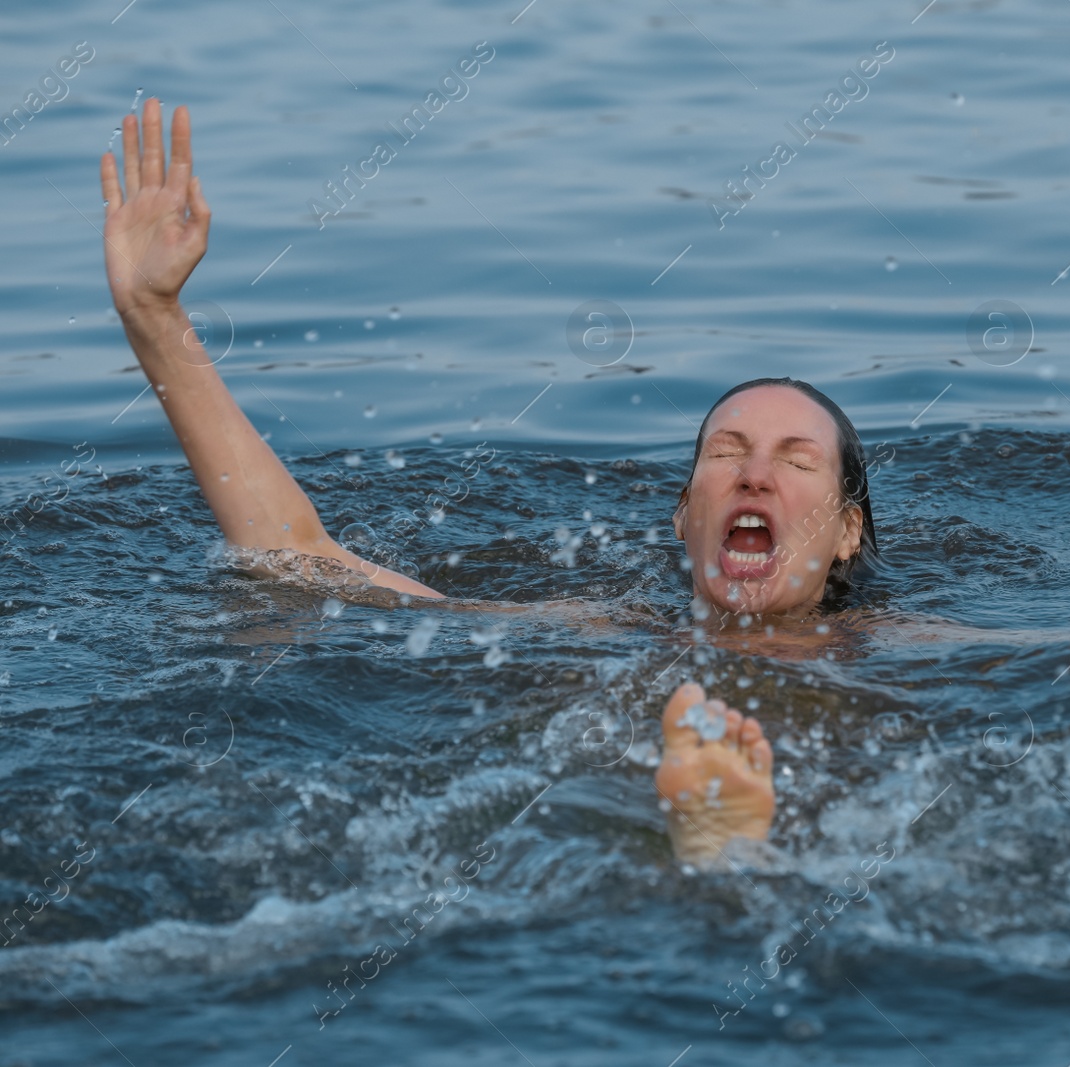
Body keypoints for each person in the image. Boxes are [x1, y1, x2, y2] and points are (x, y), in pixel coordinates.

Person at [101, 99, 881, 869]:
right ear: (683, 516)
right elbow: (297, 555)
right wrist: (154, 319)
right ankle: (721, 850)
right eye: (728, 452)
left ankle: (720, 846)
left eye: (796, 460)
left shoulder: (913, 653)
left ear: (849, 531)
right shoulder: (605, 634)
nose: (754, 473)